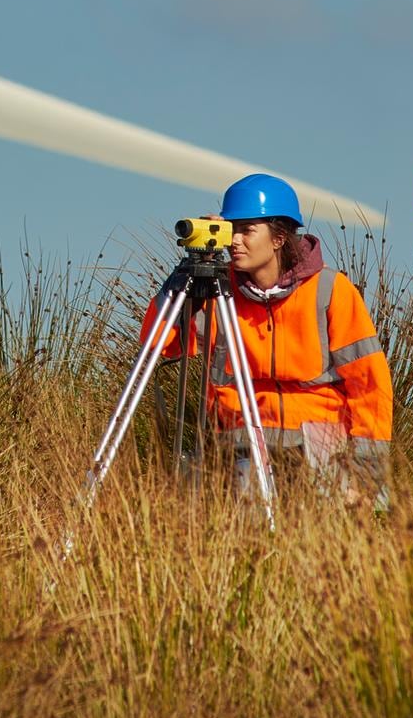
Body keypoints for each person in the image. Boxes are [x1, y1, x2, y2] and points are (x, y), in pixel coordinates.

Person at [143, 173, 393, 504]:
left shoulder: (330, 290)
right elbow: (158, 343)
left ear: (278, 238)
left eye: (247, 230)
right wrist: (185, 275)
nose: (235, 241)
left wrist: (367, 473)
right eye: (232, 229)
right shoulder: (217, 292)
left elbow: (370, 385)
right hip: (238, 445)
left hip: (319, 447)